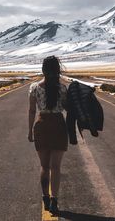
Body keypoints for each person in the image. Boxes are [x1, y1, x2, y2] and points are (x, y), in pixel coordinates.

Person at [28, 55, 68, 215]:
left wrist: (29, 130)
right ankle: (54, 201)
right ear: (58, 70)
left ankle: (45, 198)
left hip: (41, 125)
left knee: (44, 166)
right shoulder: (63, 88)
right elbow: (67, 108)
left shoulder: (34, 88)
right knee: (56, 167)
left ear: (43, 70)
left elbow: (32, 111)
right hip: (58, 125)